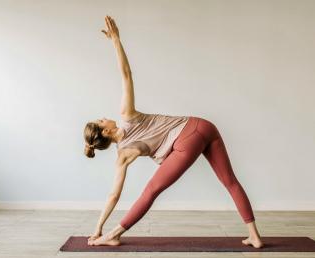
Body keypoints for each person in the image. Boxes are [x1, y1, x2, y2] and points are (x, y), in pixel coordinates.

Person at [84, 15, 264, 248]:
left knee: (151, 190)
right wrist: (116, 40)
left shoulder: (123, 154)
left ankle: (113, 234)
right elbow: (126, 75)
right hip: (204, 126)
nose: (105, 117)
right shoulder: (126, 116)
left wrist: (99, 227)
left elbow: (113, 196)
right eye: (101, 120)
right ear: (105, 131)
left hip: (186, 140)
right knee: (230, 181)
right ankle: (255, 236)